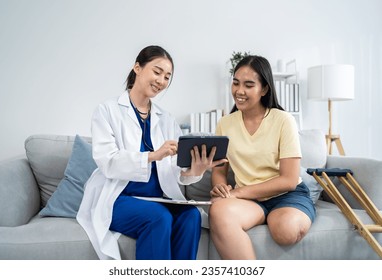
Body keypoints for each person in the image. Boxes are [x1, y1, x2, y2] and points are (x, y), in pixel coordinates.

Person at [76, 45, 225, 260]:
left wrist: (195, 170)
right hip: (119, 197)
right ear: (137, 67)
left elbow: (175, 173)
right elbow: (107, 161)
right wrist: (153, 155)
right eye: (157, 72)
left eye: (167, 77)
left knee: (191, 216)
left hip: (159, 198)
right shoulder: (107, 111)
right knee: (158, 218)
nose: (161, 81)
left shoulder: (166, 119)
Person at [209, 55, 316, 260]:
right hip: (250, 202)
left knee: (286, 231)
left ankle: (282, 215)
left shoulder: (283, 120)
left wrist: (239, 193)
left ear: (264, 89)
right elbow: (219, 171)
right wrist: (220, 186)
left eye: (249, 85)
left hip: (286, 196)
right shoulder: (225, 123)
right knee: (218, 210)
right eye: (236, 83)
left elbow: (289, 180)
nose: (239, 91)